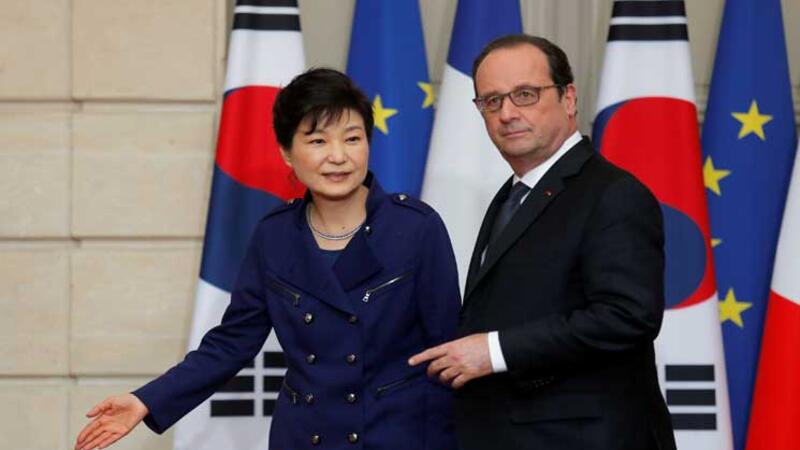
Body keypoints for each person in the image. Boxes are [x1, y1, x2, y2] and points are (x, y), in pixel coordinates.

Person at [75, 68, 460, 450]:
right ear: (287, 153)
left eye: (352, 138)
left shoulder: (415, 228)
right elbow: (232, 343)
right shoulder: (274, 236)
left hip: (395, 434)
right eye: (318, 141)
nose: (338, 156)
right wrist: (146, 400)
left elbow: (449, 352)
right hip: (305, 437)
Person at [409, 34, 677, 450]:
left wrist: (494, 350)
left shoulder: (612, 193)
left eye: (525, 94)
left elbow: (627, 316)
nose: (507, 114)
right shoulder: (513, 195)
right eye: (492, 101)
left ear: (568, 98)